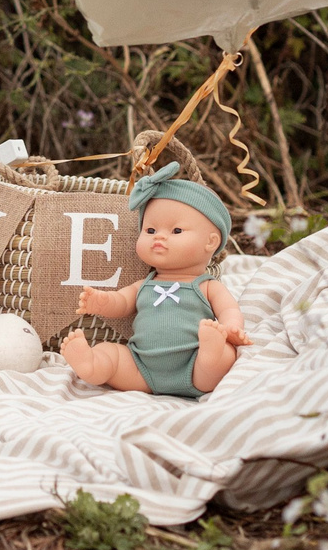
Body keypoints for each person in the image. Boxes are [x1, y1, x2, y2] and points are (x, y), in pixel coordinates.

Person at [58, 162, 250, 397]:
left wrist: (231, 329)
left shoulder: (207, 286)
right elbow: (122, 302)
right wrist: (101, 302)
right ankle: (93, 365)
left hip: (194, 366)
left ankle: (212, 354)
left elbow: (230, 309)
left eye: (176, 231)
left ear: (210, 242)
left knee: (225, 355)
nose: (158, 236)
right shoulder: (145, 284)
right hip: (141, 368)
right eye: (150, 230)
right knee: (113, 354)